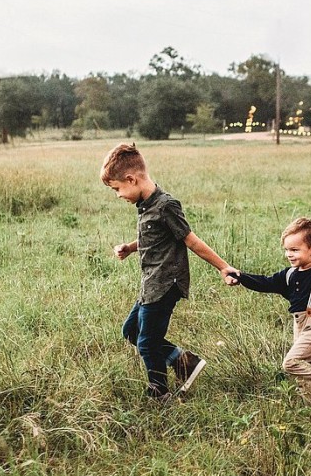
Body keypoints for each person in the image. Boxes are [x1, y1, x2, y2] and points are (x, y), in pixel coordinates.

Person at [100, 143, 238, 401]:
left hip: (165, 284)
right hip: (150, 284)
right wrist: (131, 247)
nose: (118, 195)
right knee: (131, 331)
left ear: (132, 179)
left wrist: (223, 267)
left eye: (117, 189)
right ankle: (183, 361)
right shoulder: (146, 205)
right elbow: (154, 238)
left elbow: (191, 240)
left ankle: (159, 392)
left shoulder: (166, 205)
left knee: (147, 342)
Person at [229, 218, 311, 408]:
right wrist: (240, 276)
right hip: (300, 327)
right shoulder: (289, 274)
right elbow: (265, 283)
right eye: (287, 250)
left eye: (295, 250)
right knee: (305, 373)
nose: (289, 254)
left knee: (291, 363)